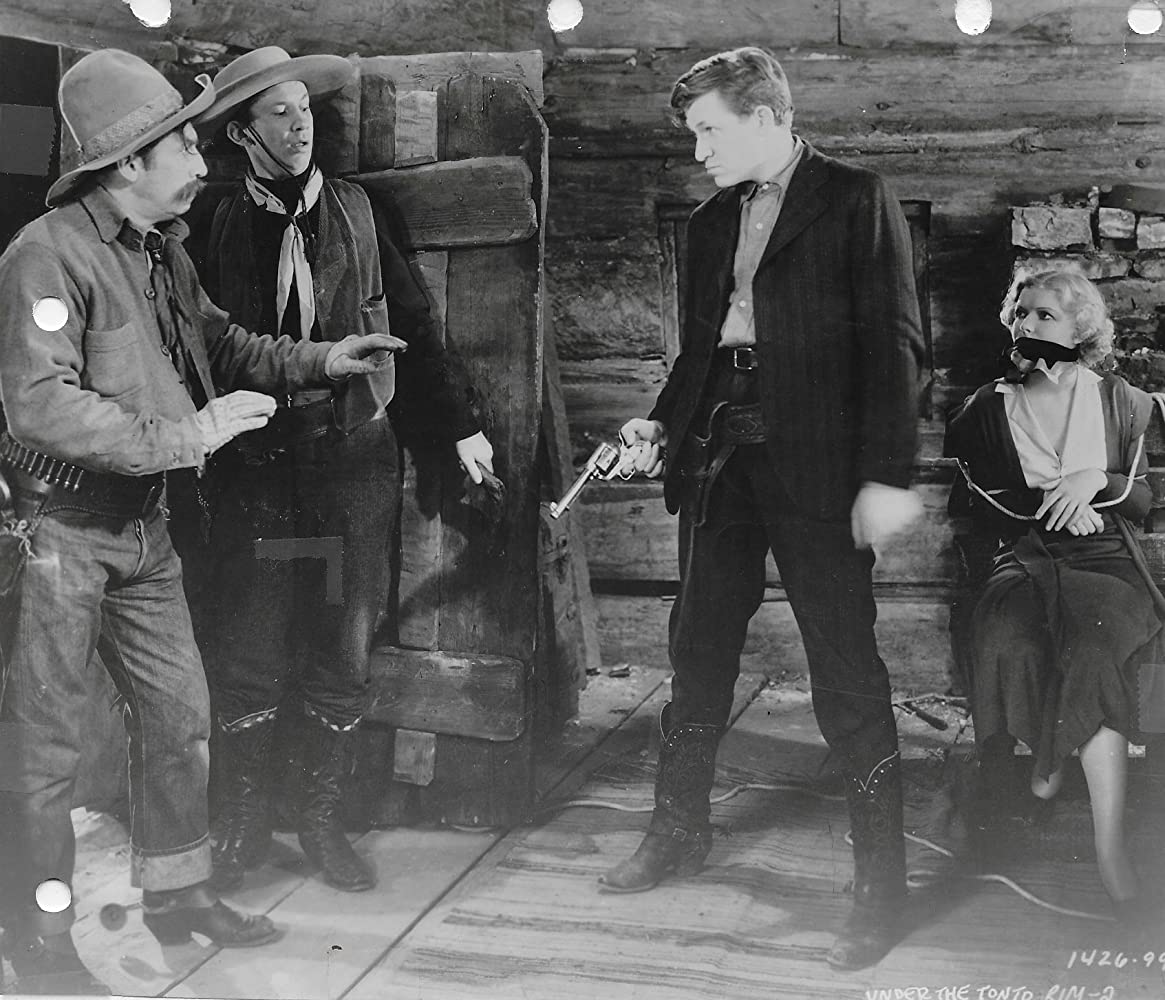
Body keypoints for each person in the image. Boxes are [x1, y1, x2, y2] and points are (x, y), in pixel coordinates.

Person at [0, 49, 400, 995]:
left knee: (181, 719)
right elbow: (39, 405)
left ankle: (177, 897)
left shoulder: (159, 248)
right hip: (58, 533)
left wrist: (323, 359)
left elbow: (222, 342)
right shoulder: (44, 255)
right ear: (128, 162)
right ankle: (40, 942)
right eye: (184, 142)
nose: (200, 154)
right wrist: (189, 434)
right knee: (45, 751)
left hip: (144, 529)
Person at [602, 47, 925, 971]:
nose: (697, 150)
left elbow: (897, 346)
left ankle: (880, 887)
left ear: (766, 116)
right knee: (696, 646)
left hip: (818, 468)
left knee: (845, 666)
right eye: (692, 134)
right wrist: (658, 423)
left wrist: (886, 475)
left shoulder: (855, 198)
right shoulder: (710, 222)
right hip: (718, 460)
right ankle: (677, 828)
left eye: (708, 130)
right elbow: (697, 355)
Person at [186, 47, 492, 895]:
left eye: (304, 110)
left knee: (339, 641)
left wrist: (460, 429)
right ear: (240, 134)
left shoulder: (359, 210)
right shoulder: (209, 221)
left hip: (346, 471)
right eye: (277, 114)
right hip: (254, 473)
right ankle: (242, 823)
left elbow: (413, 329)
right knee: (249, 648)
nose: (299, 127)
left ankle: (321, 819)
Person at [945, 268, 1161, 926]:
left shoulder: (1120, 400)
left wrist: (1093, 478)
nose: (1029, 324)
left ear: (1079, 329)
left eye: (1046, 316)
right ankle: (1045, 761)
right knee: (1007, 634)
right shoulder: (988, 408)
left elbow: (1141, 502)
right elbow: (974, 504)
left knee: (1094, 647)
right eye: (1023, 313)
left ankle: (1107, 849)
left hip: (1108, 560)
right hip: (1026, 557)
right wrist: (1050, 504)